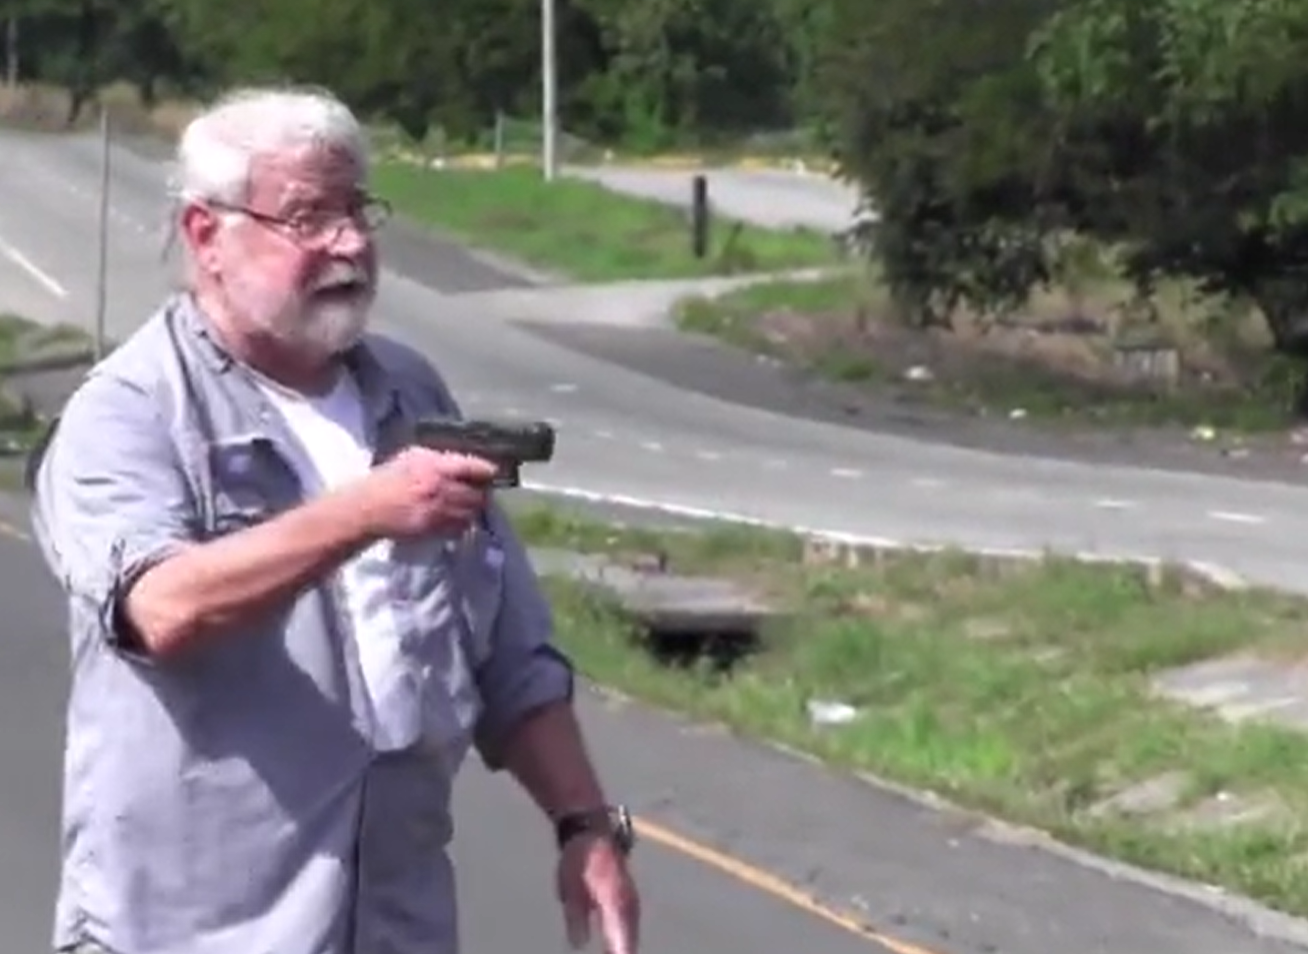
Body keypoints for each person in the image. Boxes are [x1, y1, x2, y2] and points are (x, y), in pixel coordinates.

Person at [27, 85, 640, 954]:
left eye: (356, 210)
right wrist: (364, 511)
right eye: (308, 218)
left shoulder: (409, 394)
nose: (349, 242)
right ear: (207, 235)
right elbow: (161, 607)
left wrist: (584, 825)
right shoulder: (130, 413)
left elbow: (509, 650)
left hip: (393, 925)